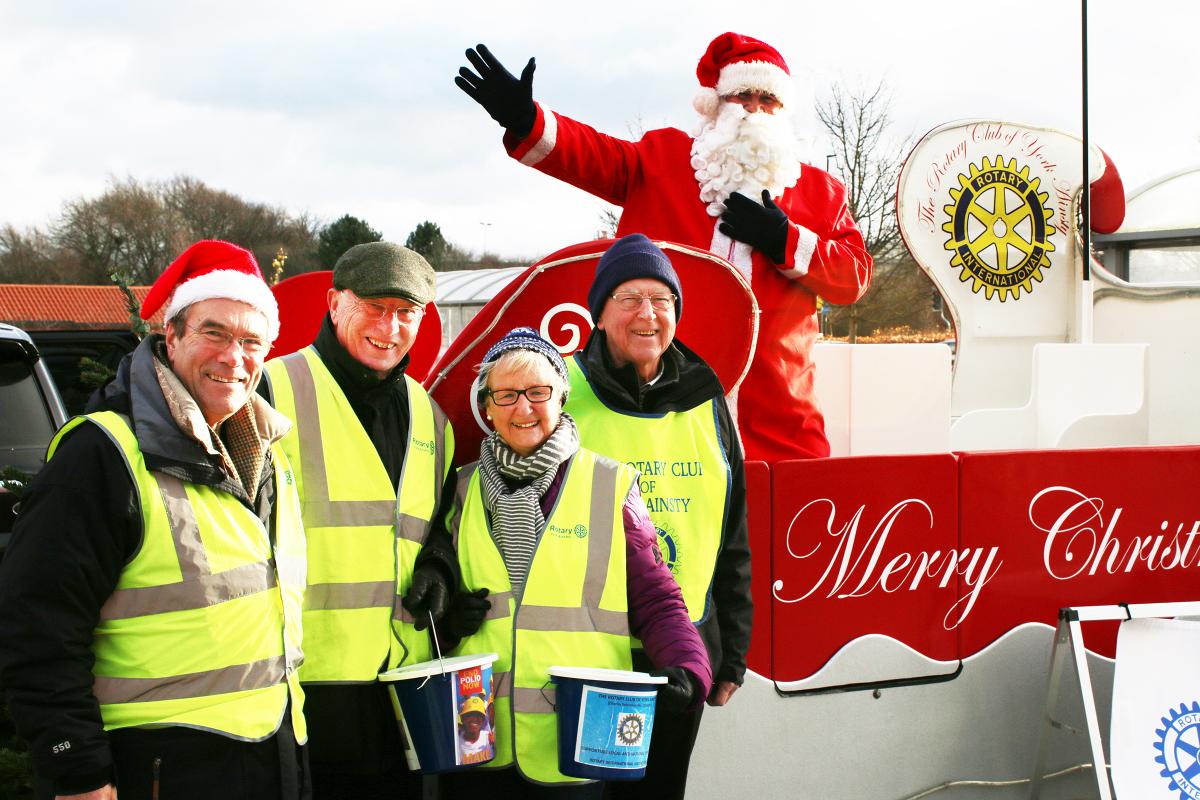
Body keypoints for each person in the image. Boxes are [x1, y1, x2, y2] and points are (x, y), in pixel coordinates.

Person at [455, 32, 873, 462]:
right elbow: (595, 155)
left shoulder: (821, 192)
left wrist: (784, 239)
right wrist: (527, 119)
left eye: (768, 99)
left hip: (778, 415)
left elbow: (854, 277)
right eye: (742, 95)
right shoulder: (664, 159)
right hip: (660, 408)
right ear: (716, 105)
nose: (755, 108)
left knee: (787, 520)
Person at [0, 240, 309, 800]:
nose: (233, 357)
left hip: (271, 751)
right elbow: (37, 625)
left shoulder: (266, 452)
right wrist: (78, 772)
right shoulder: (102, 453)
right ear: (172, 335)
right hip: (157, 764)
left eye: (251, 341)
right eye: (213, 332)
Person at [436, 327, 712, 798]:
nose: (523, 409)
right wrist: (449, 620)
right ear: (486, 407)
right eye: (505, 395)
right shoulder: (459, 489)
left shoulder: (609, 485)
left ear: (561, 397)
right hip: (478, 742)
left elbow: (657, 596)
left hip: (578, 744)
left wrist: (688, 666)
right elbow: (432, 591)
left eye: (538, 392)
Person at [262, 242, 457, 799]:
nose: (390, 327)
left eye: (406, 313)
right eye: (374, 307)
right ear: (333, 303)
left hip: (404, 687)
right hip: (303, 685)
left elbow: (438, 521)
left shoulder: (430, 415)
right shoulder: (271, 392)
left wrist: (439, 568)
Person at [565, 235, 750, 800]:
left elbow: (731, 529)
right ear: (598, 312)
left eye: (661, 300)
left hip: (682, 655)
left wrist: (732, 654)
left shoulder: (705, 395)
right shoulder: (561, 393)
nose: (647, 314)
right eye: (628, 298)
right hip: (588, 655)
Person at [457, 695, 493, 765]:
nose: (475, 718)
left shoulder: (489, 737)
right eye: (470, 714)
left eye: (479, 715)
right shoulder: (457, 743)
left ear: (483, 720)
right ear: (462, 718)